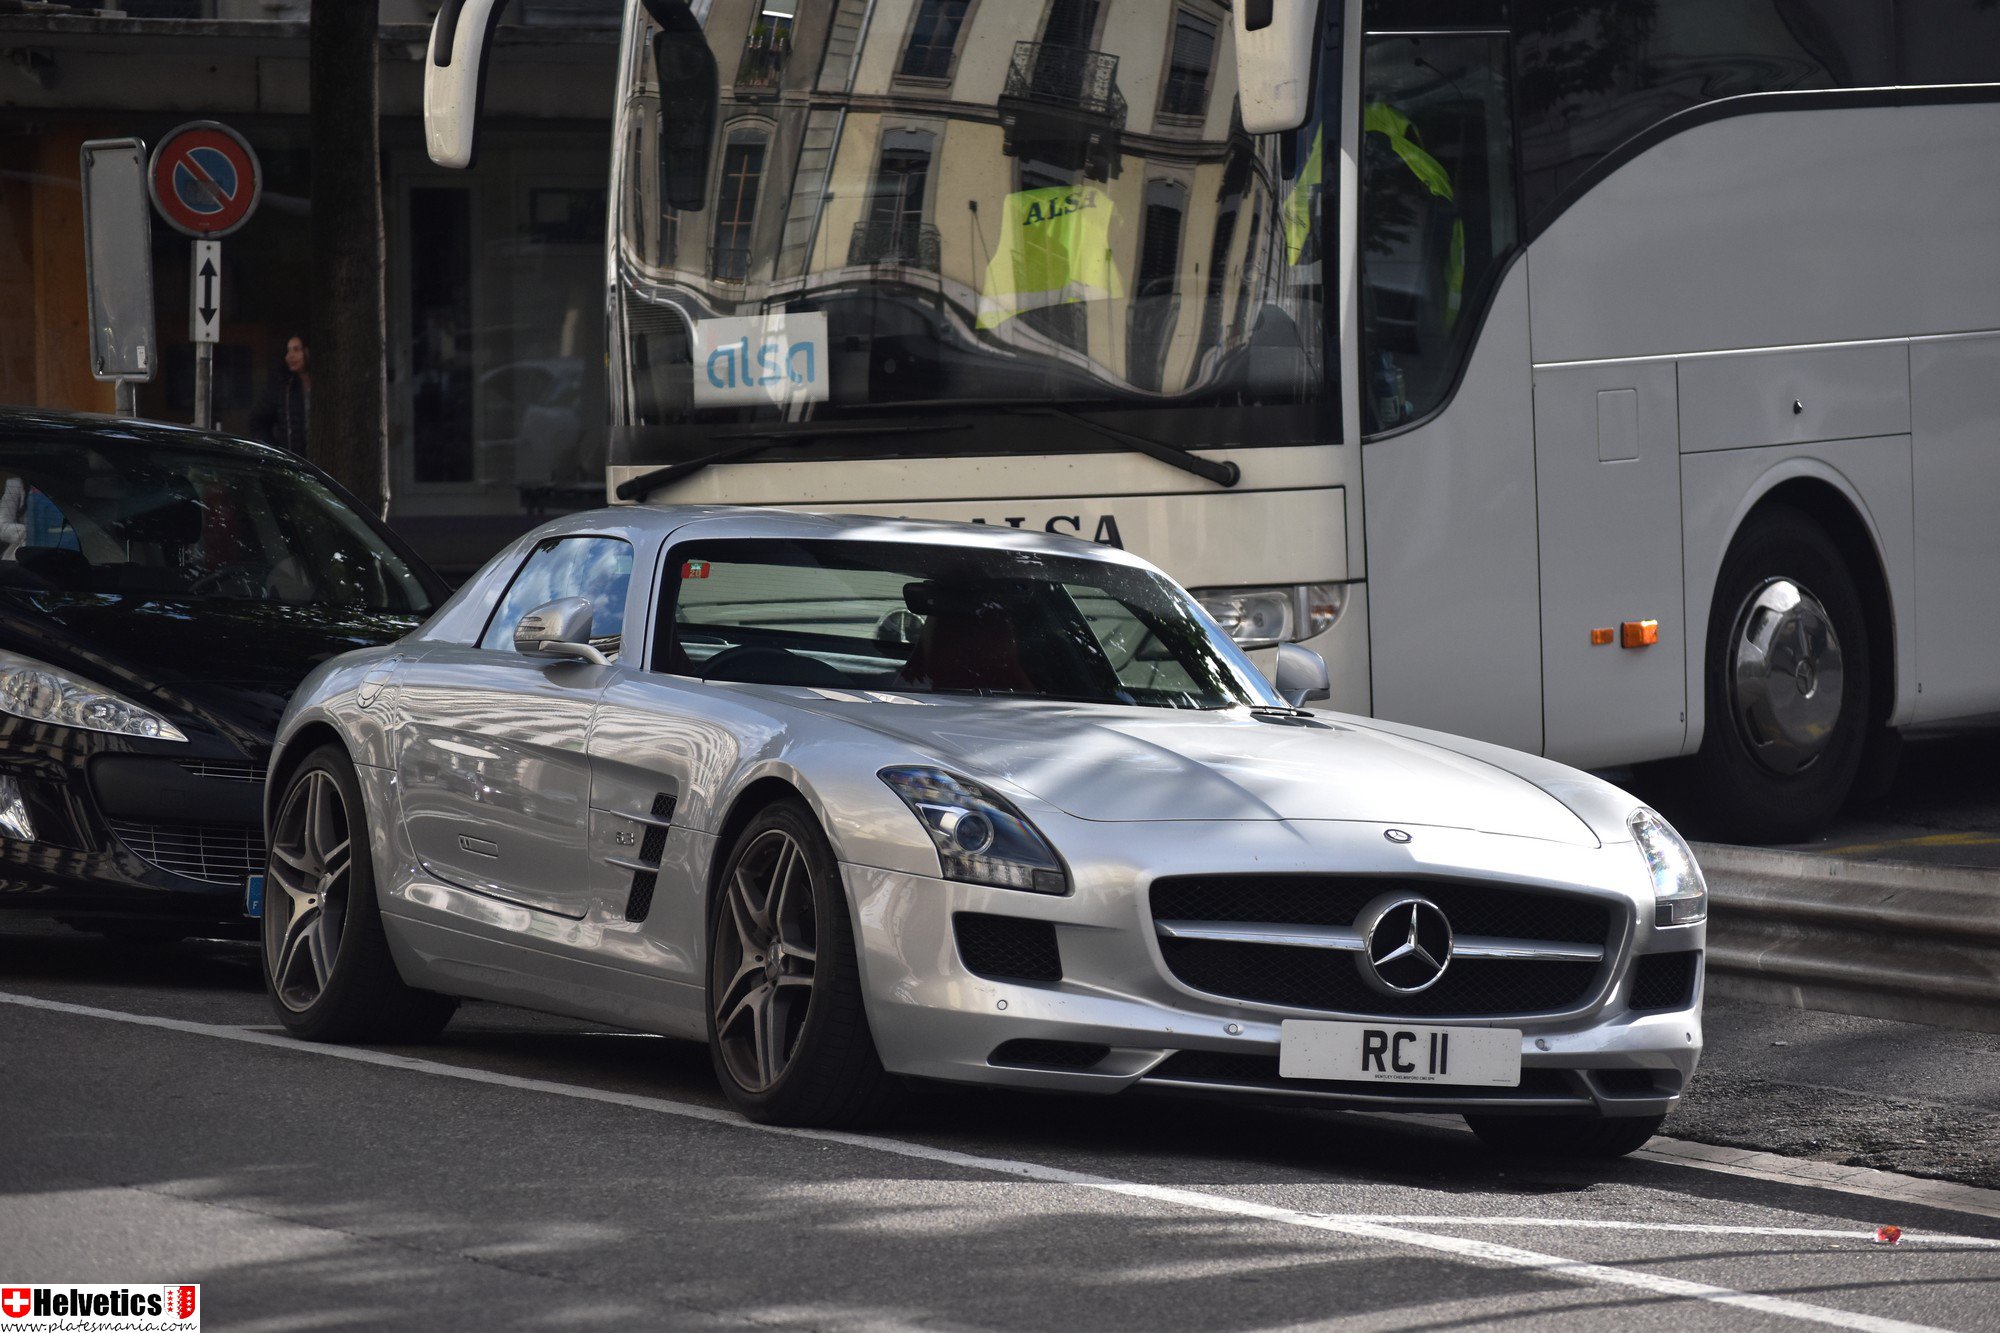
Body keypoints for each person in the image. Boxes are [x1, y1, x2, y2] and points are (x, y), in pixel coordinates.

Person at [250, 334, 312, 453]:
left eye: (296, 350)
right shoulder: (283, 387)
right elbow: (258, 420)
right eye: (288, 351)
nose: (290, 356)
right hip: (294, 459)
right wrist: (274, 451)